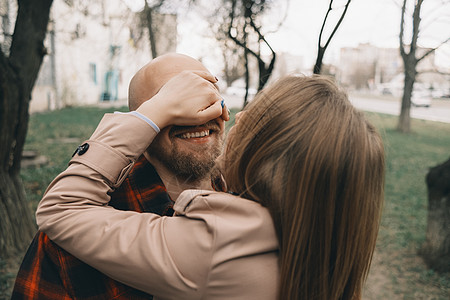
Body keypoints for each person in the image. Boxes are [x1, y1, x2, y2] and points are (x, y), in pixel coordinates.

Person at [36, 74, 385, 300]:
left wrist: (151, 112)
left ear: (264, 155)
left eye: (247, 117)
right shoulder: (324, 235)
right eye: (176, 104)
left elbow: (60, 208)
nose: (216, 116)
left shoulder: (220, 240)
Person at [12, 53, 228, 299]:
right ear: (142, 123)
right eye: (173, 103)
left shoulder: (253, 194)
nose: (197, 116)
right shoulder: (75, 231)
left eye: (205, 96)